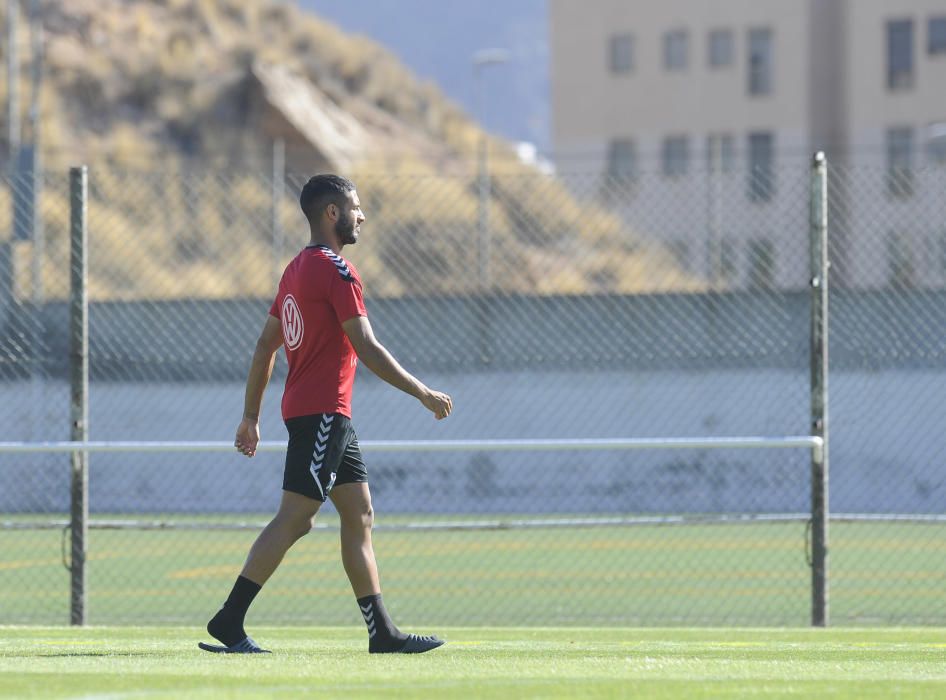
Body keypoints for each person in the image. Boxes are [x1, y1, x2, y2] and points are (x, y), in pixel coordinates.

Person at [199, 174, 453, 655]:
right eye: (355, 207)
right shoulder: (337, 271)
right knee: (296, 518)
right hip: (323, 414)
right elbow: (367, 346)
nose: (362, 215)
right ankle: (229, 620)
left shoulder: (295, 269)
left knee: (359, 514)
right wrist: (422, 392)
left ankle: (382, 633)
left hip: (320, 413)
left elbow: (264, 345)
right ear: (332, 213)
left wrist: (251, 415)